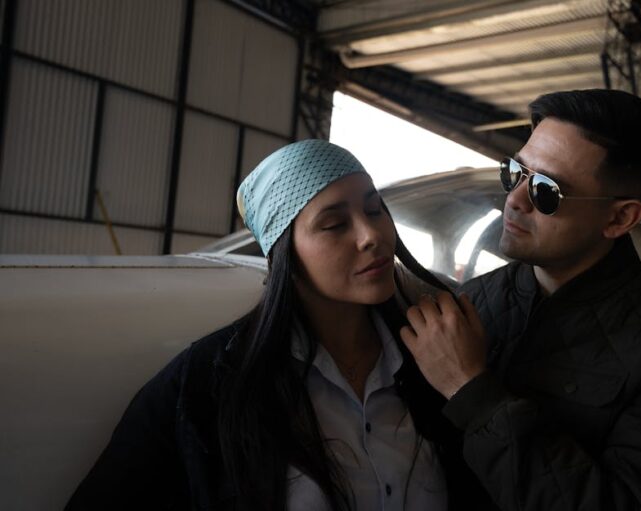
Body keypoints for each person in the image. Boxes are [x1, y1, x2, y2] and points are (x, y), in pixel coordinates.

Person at [65, 140, 481, 510]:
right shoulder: (209, 385)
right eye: (334, 224)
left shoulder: (438, 359)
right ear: (284, 253)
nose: (371, 234)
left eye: (375, 209)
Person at [400, 89, 641, 510]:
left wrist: (471, 390)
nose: (514, 199)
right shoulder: (472, 301)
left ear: (620, 218)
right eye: (515, 172)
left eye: (547, 191)